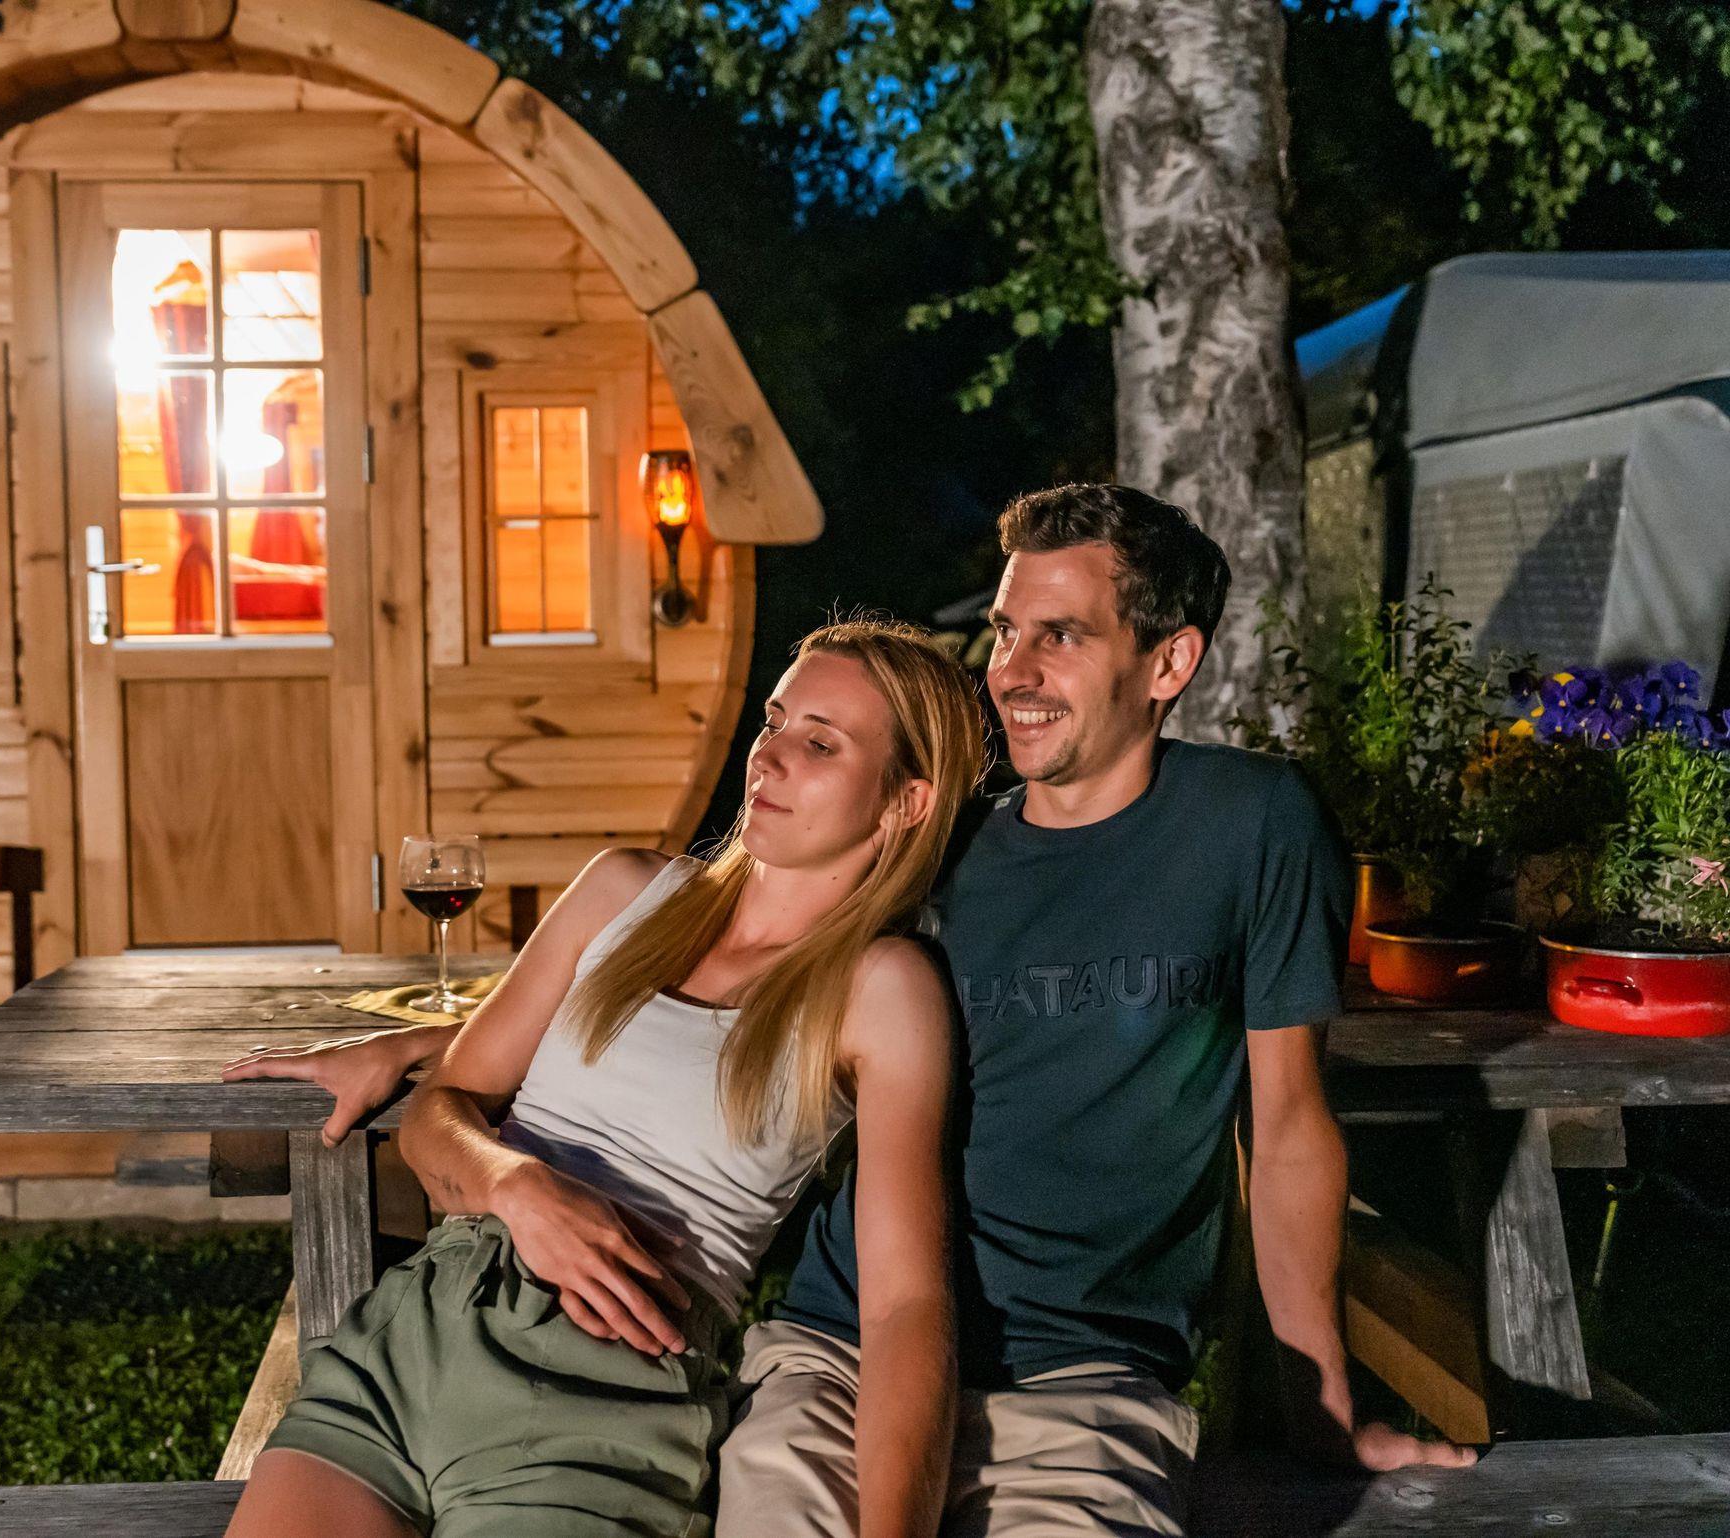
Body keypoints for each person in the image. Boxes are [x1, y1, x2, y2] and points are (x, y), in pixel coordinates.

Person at [715, 485, 1477, 1538]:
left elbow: (1290, 1126)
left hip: (1083, 1381)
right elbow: (741, 971)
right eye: (1005, 631)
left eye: (1060, 636)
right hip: (846, 1350)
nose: (1010, 671)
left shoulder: (1253, 825)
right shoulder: (935, 844)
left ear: (1168, 664)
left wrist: (1323, 1415)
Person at [219, 618, 987, 1538]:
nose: (770, 755)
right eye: (774, 721)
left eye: (820, 743)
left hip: (603, 1384)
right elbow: (440, 1114)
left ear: (906, 801)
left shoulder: (880, 988)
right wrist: (516, 1184)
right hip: (417, 1334)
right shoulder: (626, 892)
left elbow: (906, 1304)